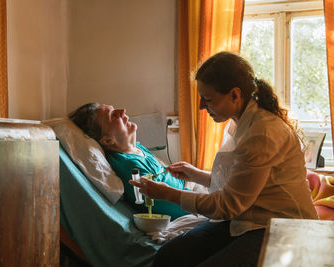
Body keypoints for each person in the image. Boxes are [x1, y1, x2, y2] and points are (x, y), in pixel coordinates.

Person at [130, 51, 318, 267]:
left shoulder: (262, 133)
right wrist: (196, 175)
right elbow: (239, 184)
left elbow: (229, 205)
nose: (201, 106)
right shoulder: (239, 122)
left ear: (235, 95)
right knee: (170, 256)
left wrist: (167, 193)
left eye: (208, 99)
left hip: (282, 228)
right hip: (249, 219)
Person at [69, 103, 191, 220]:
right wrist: (191, 186)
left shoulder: (136, 149)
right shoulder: (131, 167)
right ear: (107, 141)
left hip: (188, 190)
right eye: (113, 116)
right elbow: (172, 207)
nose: (122, 111)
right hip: (187, 205)